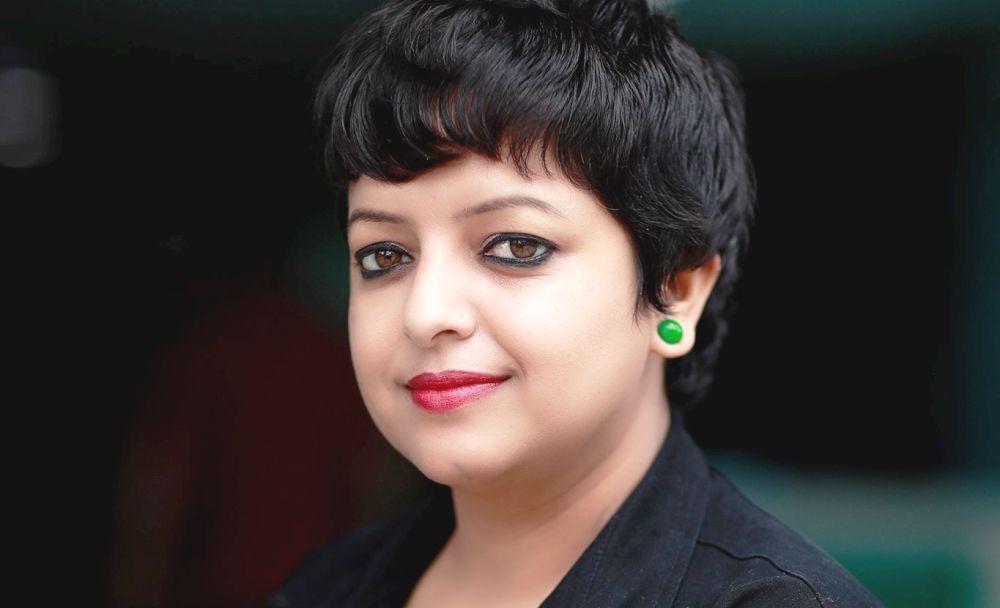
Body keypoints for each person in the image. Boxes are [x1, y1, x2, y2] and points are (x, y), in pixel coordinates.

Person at [269, 0, 884, 606]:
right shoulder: (326, 588)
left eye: (515, 246)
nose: (425, 314)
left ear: (676, 291)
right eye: (384, 256)